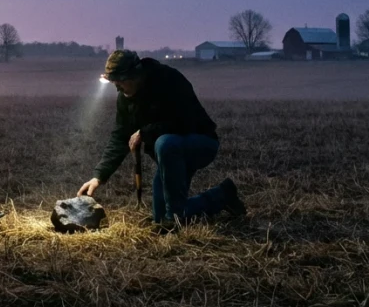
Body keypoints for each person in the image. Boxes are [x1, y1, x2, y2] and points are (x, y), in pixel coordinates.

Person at [78, 50, 246, 231]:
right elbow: (120, 136)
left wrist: (145, 132)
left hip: (200, 144)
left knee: (164, 143)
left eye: (121, 82)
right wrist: (99, 177)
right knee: (160, 217)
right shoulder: (126, 98)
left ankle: (173, 222)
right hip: (169, 156)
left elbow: (184, 121)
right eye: (114, 83)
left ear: (135, 75)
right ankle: (222, 196)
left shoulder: (168, 79)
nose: (118, 88)